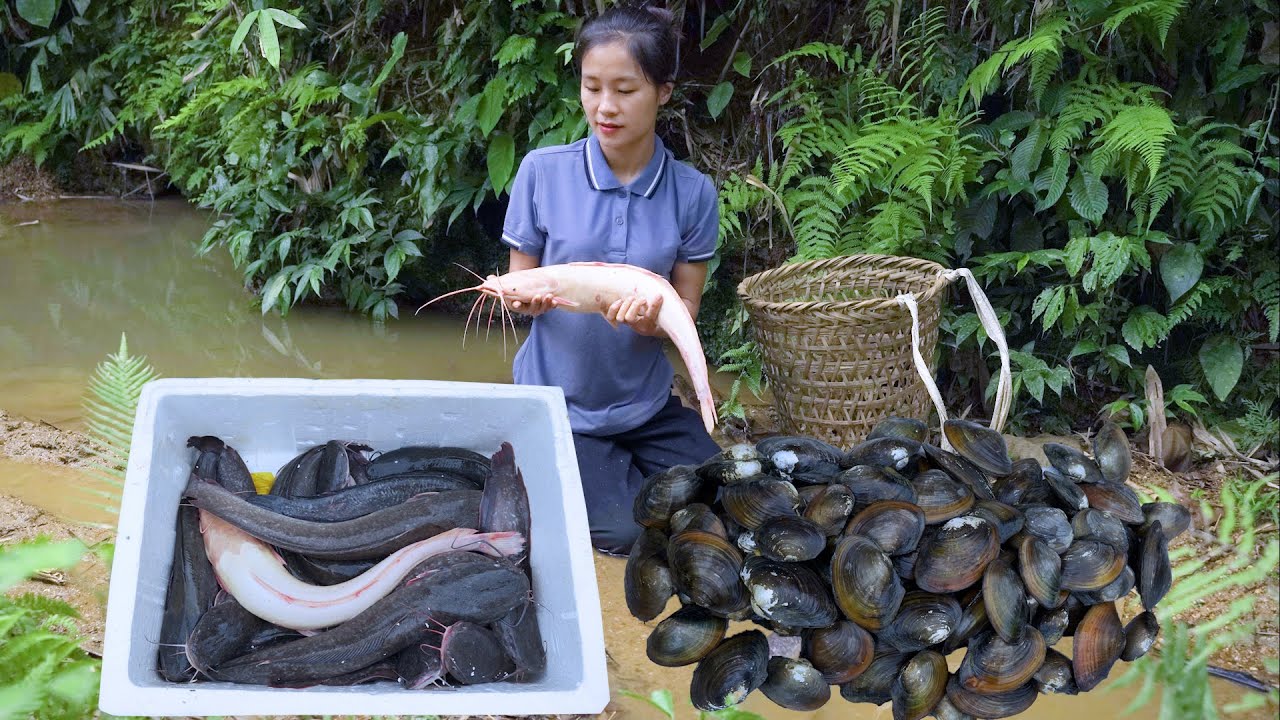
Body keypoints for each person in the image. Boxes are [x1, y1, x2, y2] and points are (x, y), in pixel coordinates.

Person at [498, 5, 722, 555]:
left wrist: (651, 326)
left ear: (664, 91)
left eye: (624, 90)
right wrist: (523, 303)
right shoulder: (542, 172)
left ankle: (620, 468)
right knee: (622, 533)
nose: (604, 107)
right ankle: (591, 472)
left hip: (646, 405)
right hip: (560, 404)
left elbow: (684, 310)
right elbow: (519, 286)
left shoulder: (693, 194)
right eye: (591, 86)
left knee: (722, 499)